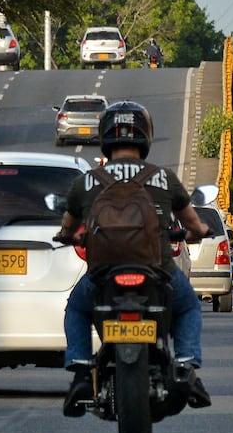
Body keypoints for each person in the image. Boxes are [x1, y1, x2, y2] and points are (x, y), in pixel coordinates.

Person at [54, 100, 211, 416]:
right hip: (158, 271)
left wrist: (70, 237)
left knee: (77, 309)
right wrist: (198, 232)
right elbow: (194, 225)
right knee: (188, 306)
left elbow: (67, 228)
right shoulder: (164, 178)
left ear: (105, 137)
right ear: (145, 136)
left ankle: (82, 371)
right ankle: (185, 365)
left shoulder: (86, 182)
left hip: (103, 275)